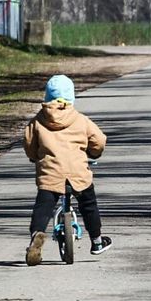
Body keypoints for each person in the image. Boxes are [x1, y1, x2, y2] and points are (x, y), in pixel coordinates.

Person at [23, 74, 111, 266]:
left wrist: (34, 156)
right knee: (89, 204)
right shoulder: (80, 120)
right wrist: (94, 153)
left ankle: (37, 234)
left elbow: (29, 142)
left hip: (50, 174)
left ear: (47, 97)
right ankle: (97, 241)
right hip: (77, 173)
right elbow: (99, 140)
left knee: (43, 206)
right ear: (71, 97)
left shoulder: (38, 121)